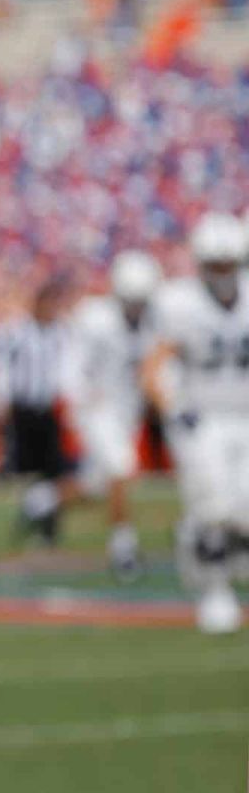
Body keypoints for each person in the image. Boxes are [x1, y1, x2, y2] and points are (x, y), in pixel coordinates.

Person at [143, 212, 249, 634]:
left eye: (228, 264)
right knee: (215, 508)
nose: (222, 273)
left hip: (244, 416)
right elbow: (154, 366)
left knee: (243, 512)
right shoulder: (180, 303)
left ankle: (196, 544)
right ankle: (216, 592)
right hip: (205, 420)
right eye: (215, 264)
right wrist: (174, 407)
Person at [60, 250, 161, 580]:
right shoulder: (95, 320)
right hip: (98, 408)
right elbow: (72, 365)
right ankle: (124, 548)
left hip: (126, 410)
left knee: (99, 483)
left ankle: (43, 503)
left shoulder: (155, 320)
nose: (136, 307)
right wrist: (81, 400)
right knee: (121, 466)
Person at [0, 278, 77, 544]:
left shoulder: (61, 332)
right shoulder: (16, 332)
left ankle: (47, 526)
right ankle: (34, 518)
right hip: (23, 409)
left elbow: (67, 369)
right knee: (28, 468)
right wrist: (3, 399)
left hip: (48, 409)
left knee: (54, 470)